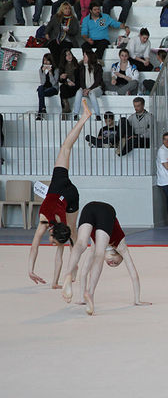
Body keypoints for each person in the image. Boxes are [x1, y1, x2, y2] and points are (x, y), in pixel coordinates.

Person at [28, 100, 91, 288]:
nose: (51, 242)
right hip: (64, 190)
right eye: (53, 240)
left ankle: (73, 270)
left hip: (67, 193)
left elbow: (34, 248)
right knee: (65, 147)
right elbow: (36, 246)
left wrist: (32, 270)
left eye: (52, 240)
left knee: (71, 236)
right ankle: (72, 271)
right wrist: (34, 272)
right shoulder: (57, 227)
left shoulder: (45, 221)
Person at [61, 201, 151, 315]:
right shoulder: (121, 245)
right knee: (99, 254)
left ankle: (68, 274)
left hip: (89, 208)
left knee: (80, 244)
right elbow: (133, 274)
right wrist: (137, 300)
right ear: (119, 255)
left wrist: (81, 298)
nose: (112, 264)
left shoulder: (95, 242)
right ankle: (90, 293)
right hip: (106, 211)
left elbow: (84, 270)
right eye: (116, 263)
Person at [45, 2, 80, 68]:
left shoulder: (73, 19)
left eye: (69, 8)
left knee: (63, 49)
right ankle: (57, 67)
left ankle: (61, 67)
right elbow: (49, 26)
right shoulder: (56, 17)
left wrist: (68, 31)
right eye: (65, 8)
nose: (68, 10)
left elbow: (75, 31)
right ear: (62, 9)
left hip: (68, 40)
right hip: (56, 38)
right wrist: (47, 33)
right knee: (53, 46)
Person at [73, 50, 103, 119]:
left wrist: (89, 89)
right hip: (85, 88)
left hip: (96, 88)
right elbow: (82, 81)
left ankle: (97, 115)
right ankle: (75, 114)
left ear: (89, 57)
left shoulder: (98, 67)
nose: (83, 58)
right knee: (78, 92)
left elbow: (97, 81)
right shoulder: (82, 67)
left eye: (85, 56)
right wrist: (84, 89)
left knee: (91, 93)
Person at [36, 53, 59, 120]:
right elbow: (42, 82)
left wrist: (50, 73)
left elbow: (54, 83)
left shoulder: (56, 70)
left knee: (40, 92)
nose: (45, 62)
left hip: (53, 89)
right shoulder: (41, 69)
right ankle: (43, 109)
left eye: (47, 60)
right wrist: (43, 72)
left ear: (51, 61)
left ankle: (40, 113)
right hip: (44, 88)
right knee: (40, 88)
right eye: (44, 60)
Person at [58, 48, 79, 117]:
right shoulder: (62, 66)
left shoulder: (77, 65)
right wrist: (61, 77)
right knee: (62, 87)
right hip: (67, 86)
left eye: (69, 54)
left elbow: (80, 79)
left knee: (62, 94)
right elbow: (60, 80)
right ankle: (66, 108)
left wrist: (74, 83)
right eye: (66, 55)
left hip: (76, 86)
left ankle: (65, 111)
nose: (69, 56)